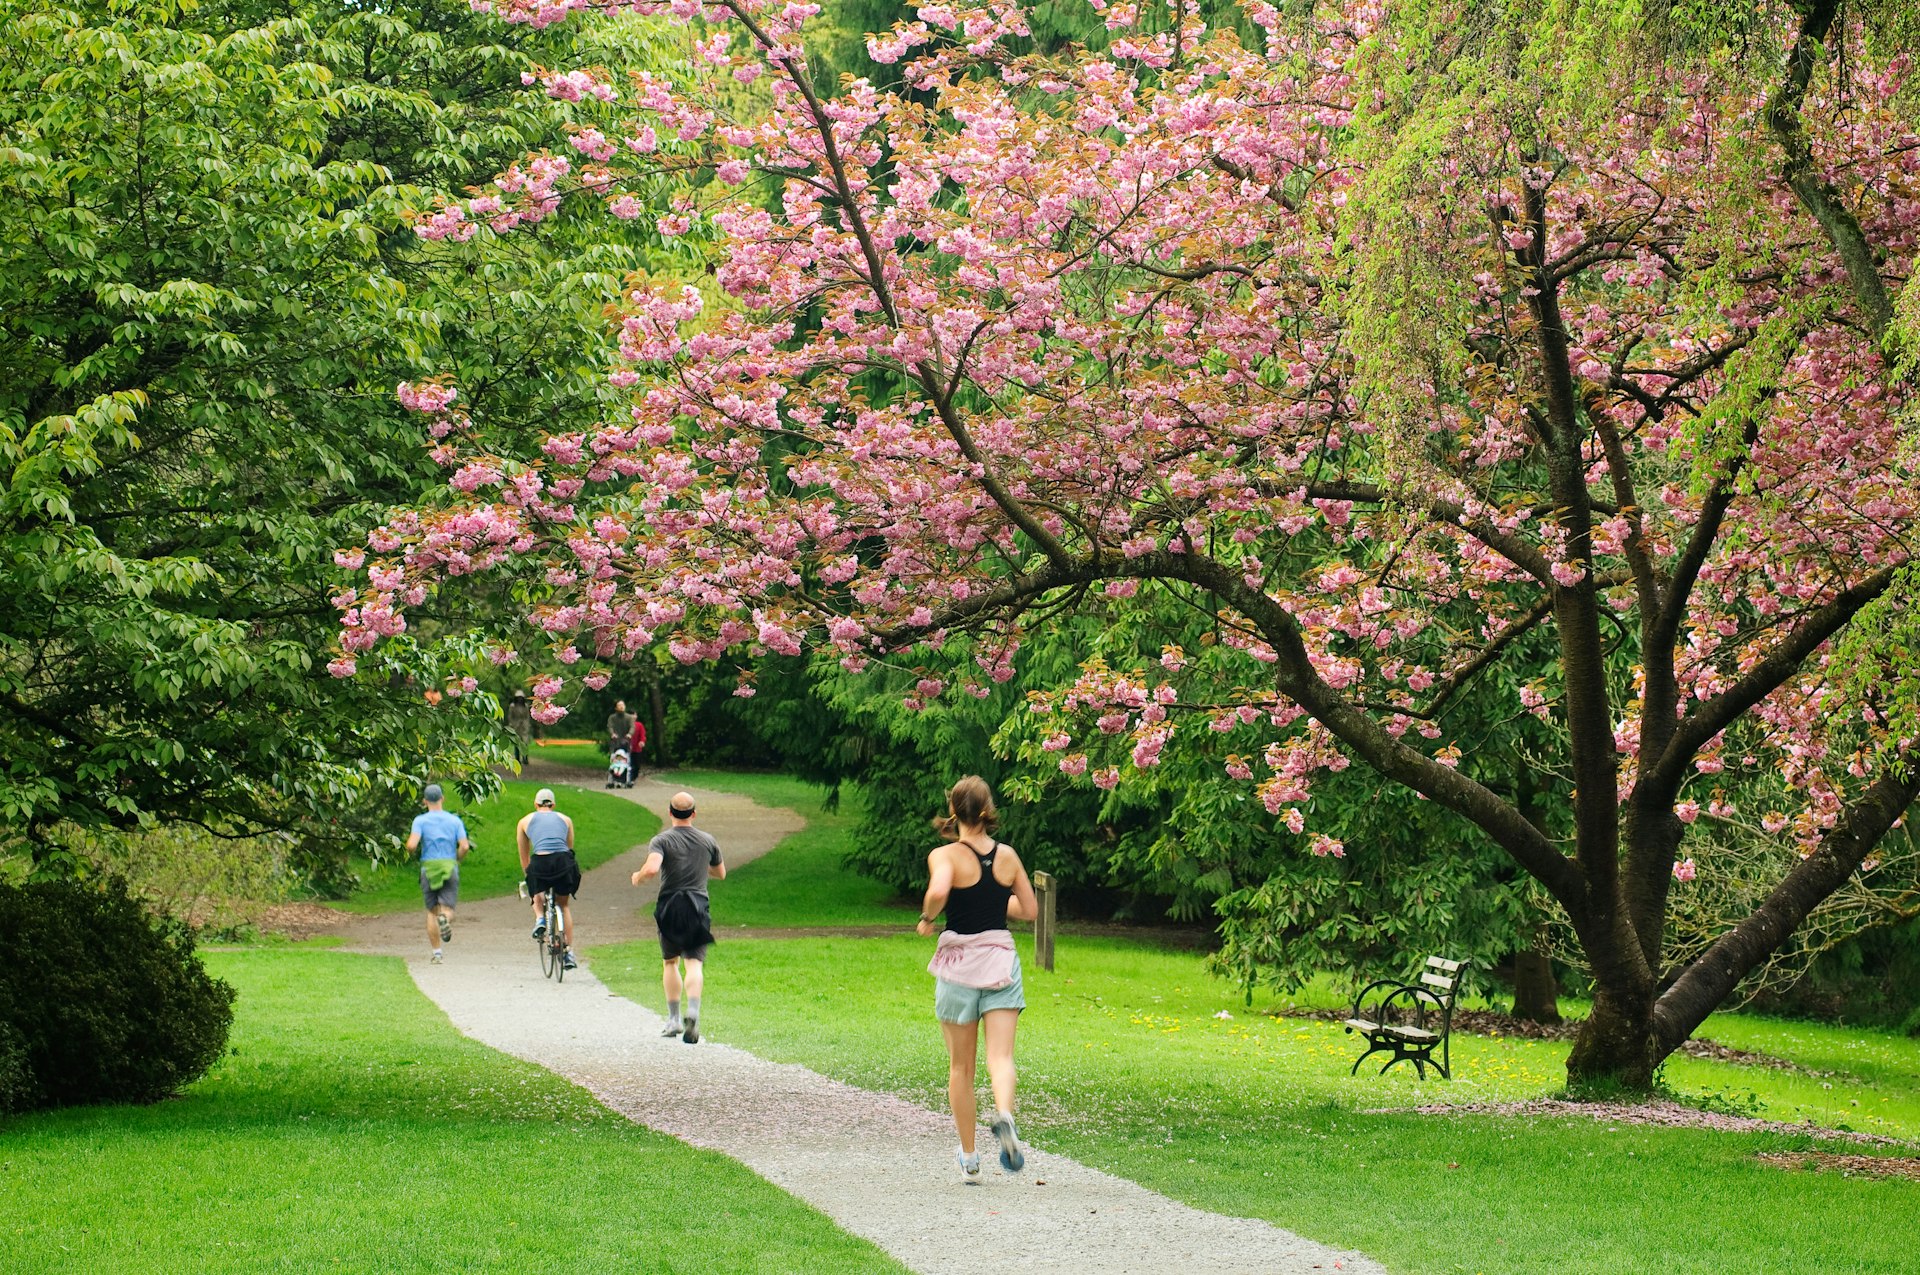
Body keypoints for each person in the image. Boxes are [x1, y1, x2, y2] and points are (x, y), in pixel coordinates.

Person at [918, 775, 1039, 1183]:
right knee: (1001, 1058)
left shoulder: (944, 855)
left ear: (954, 811)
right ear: (988, 811)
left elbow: (938, 893)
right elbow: (1029, 909)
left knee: (960, 1068)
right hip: (1000, 961)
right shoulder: (1008, 856)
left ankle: (970, 1158)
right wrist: (993, 898)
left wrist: (928, 917)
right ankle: (1004, 1114)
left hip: (958, 965)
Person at [632, 791, 724, 1044]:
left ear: (670, 813)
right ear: (694, 813)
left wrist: (638, 877)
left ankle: (673, 1020)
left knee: (670, 962)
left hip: (670, 905)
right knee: (694, 962)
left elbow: (651, 868)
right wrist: (698, 863)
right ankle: (692, 1012)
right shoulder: (707, 840)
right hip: (697, 904)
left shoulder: (661, 840)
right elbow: (720, 873)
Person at [517, 787, 581, 971]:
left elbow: (524, 855)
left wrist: (529, 876)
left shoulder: (524, 821)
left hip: (540, 863)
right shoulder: (566, 820)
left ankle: (539, 919)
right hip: (563, 863)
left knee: (537, 894)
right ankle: (568, 951)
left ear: (535, 804)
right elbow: (569, 849)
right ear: (553, 805)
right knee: (563, 905)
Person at [407, 784, 470, 965]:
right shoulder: (455, 821)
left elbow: (412, 844)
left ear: (425, 801)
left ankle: (437, 953)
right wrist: (457, 859)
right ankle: (446, 919)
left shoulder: (420, 821)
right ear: (442, 798)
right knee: (447, 909)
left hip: (429, 868)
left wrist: (411, 852)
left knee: (431, 911)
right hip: (449, 867)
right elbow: (464, 846)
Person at [505, 692, 534, 760]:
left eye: (521, 698)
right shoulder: (512, 706)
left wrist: (527, 724)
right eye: (518, 698)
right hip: (516, 726)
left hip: (524, 726)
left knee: (525, 742)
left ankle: (525, 758)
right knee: (517, 743)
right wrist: (511, 724)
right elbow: (510, 716)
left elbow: (527, 716)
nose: (520, 699)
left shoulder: (525, 706)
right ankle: (517, 758)